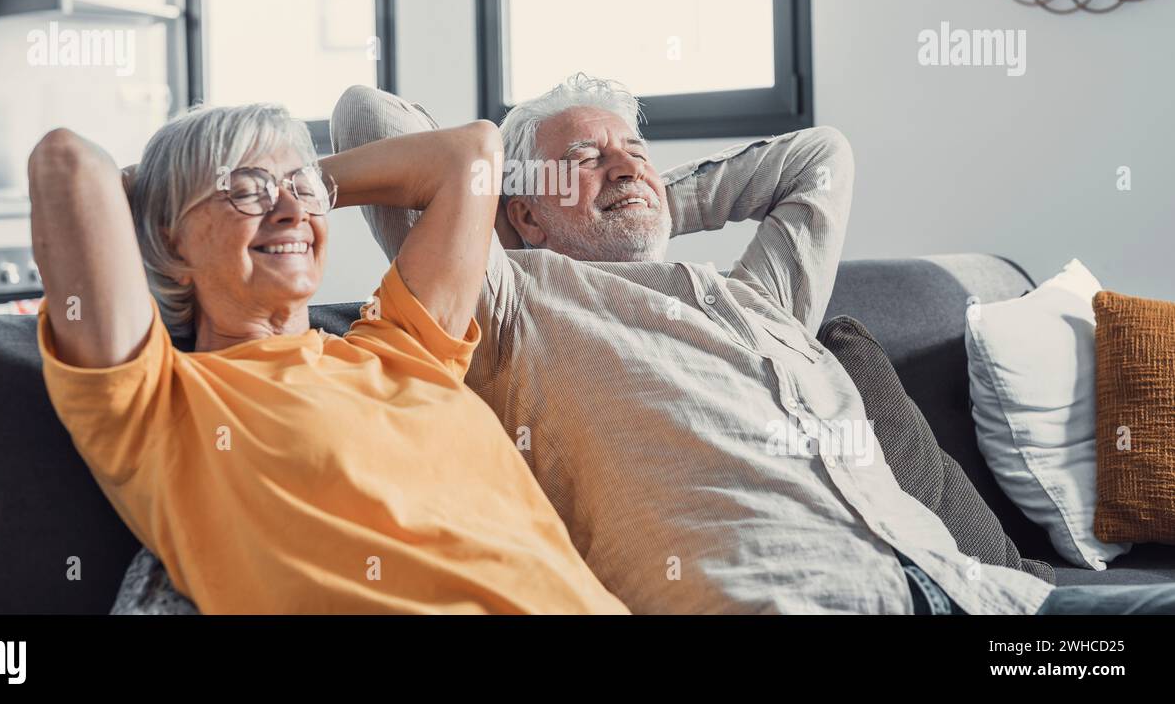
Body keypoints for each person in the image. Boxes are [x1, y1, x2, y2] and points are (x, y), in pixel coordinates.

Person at [333, 75, 1175, 615]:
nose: (625, 166)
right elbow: (367, 114)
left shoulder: (760, 296)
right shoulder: (513, 300)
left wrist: (643, 198)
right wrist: (520, 225)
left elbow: (820, 158)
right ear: (519, 211)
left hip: (980, 600)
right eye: (584, 158)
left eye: (636, 152)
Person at [28, 103, 627, 614]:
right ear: (170, 239)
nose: (290, 211)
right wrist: (154, 192)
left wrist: (306, 185)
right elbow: (66, 162)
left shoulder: (401, 347)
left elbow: (472, 153)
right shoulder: (156, 401)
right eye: (244, 189)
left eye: (301, 188)